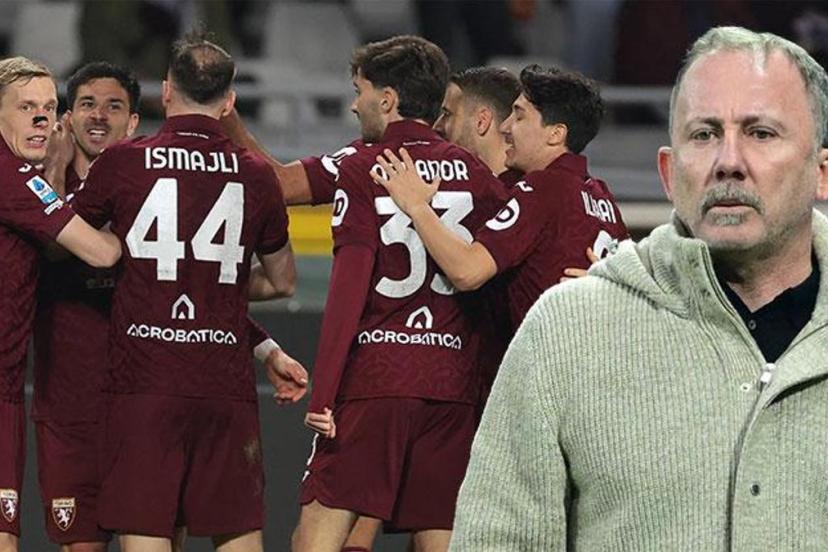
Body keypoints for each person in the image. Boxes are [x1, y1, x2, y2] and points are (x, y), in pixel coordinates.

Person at [449, 26, 828, 550]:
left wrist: (417, 205)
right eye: (704, 135)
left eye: (761, 133)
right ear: (669, 174)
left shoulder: (550, 193)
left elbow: (468, 269)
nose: (728, 161)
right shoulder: (565, 332)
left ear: (822, 172)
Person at [34, 60, 307, 552]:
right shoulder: (253, 174)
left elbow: (63, 246)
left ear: (154, 103)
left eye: (114, 106)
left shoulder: (122, 167)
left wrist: (265, 347)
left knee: (158, 533)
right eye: (88, 104)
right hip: (93, 400)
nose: (99, 116)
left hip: (142, 389)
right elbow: (272, 280)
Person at [291, 35, 509, 552]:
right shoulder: (478, 175)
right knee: (441, 536)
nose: (354, 104)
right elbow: (495, 291)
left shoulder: (363, 167)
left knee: (315, 536)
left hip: (376, 379)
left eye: (360, 91)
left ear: (387, 99)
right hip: (451, 385)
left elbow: (348, 288)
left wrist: (323, 393)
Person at [373, 64, 629, 332]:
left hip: (554, 353)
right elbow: (631, 279)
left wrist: (417, 206)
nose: (505, 127)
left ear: (555, 134)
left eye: (519, 116)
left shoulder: (545, 187)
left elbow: (467, 271)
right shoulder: (600, 195)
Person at [0, 56, 122, 552]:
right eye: (25, 106)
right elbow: (102, 252)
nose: (41, 118)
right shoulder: (12, 175)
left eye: (49, 108)